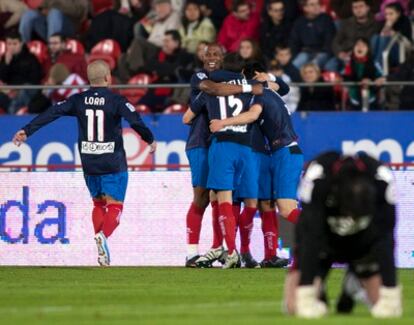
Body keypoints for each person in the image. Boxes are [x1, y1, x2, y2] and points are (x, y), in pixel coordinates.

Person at [12, 60, 156, 266]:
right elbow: (134, 120)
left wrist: (27, 130)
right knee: (115, 206)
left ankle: (100, 248)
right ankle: (103, 237)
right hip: (112, 162)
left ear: (90, 79)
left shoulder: (78, 100)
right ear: (108, 78)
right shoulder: (117, 101)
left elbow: (52, 112)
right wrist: (149, 139)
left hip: (89, 162)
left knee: (98, 204)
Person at [284, 151, 402, 319]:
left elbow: (386, 238)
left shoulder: (383, 183)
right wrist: (306, 293)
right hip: (324, 240)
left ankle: (353, 283)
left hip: (363, 245)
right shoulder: (317, 181)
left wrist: (390, 293)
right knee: (294, 307)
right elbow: (309, 238)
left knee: (385, 309)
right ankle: (320, 286)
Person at [210, 61, 304, 266]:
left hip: (282, 151)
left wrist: (222, 123)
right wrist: (269, 77)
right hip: (279, 152)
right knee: (270, 204)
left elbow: (252, 114)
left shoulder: (259, 94)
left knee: (284, 208)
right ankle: (270, 254)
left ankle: (318, 235)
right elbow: (283, 88)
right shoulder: (270, 90)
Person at [183, 44, 264, 267]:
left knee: (219, 196)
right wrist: (248, 87)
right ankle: (192, 252)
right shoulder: (200, 77)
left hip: (221, 143)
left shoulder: (228, 81)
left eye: (216, 54)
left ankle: (219, 247)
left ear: (223, 59)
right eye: (207, 54)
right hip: (201, 142)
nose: (211, 58)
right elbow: (210, 91)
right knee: (202, 198)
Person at [327, 0, 381, 72]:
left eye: (361, 6)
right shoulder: (346, 23)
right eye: (355, 7)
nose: (358, 10)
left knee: (348, 70)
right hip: (345, 54)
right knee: (329, 66)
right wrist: (340, 53)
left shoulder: (375, 24)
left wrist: (354, 54)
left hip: (365, 57)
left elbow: (374, 45)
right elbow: (336, 41)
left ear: (367, 8)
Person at [0, 31, 43, 114]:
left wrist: (18, 89)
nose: (11, 47)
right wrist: (6, 64)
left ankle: (12, 114)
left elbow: (35, 79)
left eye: (14, 44)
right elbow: (3, 78)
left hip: (27, 89)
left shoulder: (31, 58)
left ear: (21, 43)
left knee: (25, 90)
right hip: (10, 91)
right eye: (9, 44)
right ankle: (15, 112)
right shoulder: (5, 58)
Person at [289, 0, 336, 69]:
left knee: (312, 66)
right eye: (312, 4)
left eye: (318, 4)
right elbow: (294, 42)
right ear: (305, 8)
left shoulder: (326, 19)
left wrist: (322, 52)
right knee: (295, 64)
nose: (316, 6)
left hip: (323, 52)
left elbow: (329, 41)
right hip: (305, 52)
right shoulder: (299, 22)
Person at [342, 37, 383, 110]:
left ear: (368, 49)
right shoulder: (348, 63)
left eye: (363, 45)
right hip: (354, 102)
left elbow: (381, 78)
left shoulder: (374, 63)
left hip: (370, 101)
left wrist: (372, 82)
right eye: (357, 45)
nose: (359, 47)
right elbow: (345, 78)